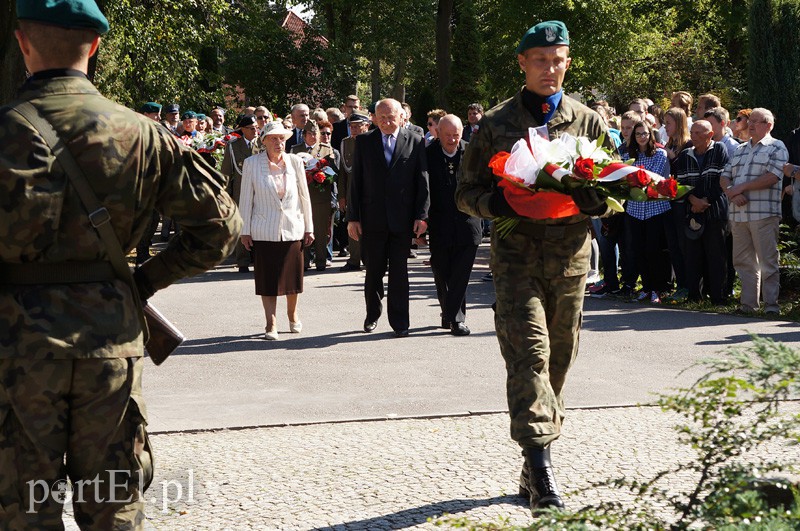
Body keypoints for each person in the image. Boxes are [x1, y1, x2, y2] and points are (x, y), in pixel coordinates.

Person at [0, 2, 241, 528]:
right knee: (111, 508)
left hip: (14, 354)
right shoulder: (143, 135)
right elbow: (220, 228)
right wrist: (143, 281)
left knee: (21, 511)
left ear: (22, 43)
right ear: (96, 45)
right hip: (110, 346)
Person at [455, 20, 611, 513]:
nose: (550, 68)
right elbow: (465, 193)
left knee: (559, 360)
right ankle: (542, 474)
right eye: (541, 60)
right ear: (523, 63)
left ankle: (532, 458)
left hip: (570, 262)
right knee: (530, 356)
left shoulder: (588, 122)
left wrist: (595, 200)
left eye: (558, 60)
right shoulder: (496, 124)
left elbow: (616, 189)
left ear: (568, 62)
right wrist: (496, 205)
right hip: (516, 261)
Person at [347, 98, 430, 337]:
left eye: (390, 117)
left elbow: (422, 181)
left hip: (402, 220)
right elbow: (356, 183)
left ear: (401, 116)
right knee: (373, 271)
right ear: (374, 118)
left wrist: (421, 216)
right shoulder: (363, 142)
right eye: (381, 117)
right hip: (372, 219)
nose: (386, 122)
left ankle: (400, 322)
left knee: (399, 273)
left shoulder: (414, 141)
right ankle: (372, 314)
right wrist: (353, 217)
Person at [239, 121, 314, 339]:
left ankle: (292, 316)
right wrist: (245, 230)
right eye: (273, 138)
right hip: (264, 229)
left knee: (292, 280)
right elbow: (246, 199)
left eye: (281, 138)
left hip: (293, 228)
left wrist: (308, 227)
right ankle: (270, 324)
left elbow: (304, 197)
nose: (278, 142)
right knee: (267, 280)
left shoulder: (295, 162)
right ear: (264, 142)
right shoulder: (252, 164)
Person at [721, 107, 788, 315]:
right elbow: (724, 176)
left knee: (767, 260)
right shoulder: (740, 149)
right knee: (742, 261)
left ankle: (771, 306)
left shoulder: (777, 147)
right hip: (738, 213)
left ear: (768, 125)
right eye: (750, 120)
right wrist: (732, 192)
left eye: (756, 121)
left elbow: (773, 176)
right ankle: (748, 305)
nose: (750, 124)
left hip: (763, 213)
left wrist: (741, 188)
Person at [426, 115, 482, 336]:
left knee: (461, 273)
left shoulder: (472, 153)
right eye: (447, 135)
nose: (452, 140)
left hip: (468, 223)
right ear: (438, 133)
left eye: (456, 135)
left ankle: (456, 319)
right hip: (439, 223)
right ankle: (448, 312)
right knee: (441, 271)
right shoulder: (427, 154)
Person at [674, 120, 730, 304]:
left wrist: (705, 201)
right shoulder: (684, 155)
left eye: (699, 133)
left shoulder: (719, 149)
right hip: (691, 211)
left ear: (710, 134)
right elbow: (680, 183)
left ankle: (718, 297)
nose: (694, 136)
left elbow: (722, 180)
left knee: (716, 255)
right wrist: (693, 200)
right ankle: (694, 296)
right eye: (692, 132)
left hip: (715, 211)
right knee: (692, 255)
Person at [624, 121, 672, 304]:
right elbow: (627, 178)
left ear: (650, 135)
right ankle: (646, 287)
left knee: (655, 251)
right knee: (639, 250)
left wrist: (635, 178)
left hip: (655, 209)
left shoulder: (659, 153)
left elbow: (654, 178)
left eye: (644, 133)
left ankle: (659, 289)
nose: (641, 137)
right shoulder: (630, 155)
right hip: (635, 209)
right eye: (638, 134)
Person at [291, 120, 341, 271]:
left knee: (321, 231)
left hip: (320, 195)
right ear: (304, 135)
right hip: (301, 196)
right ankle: (304, 261)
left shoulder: (327, 150)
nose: (313, 136)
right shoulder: (295, 149)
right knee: (303, 229)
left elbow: (334, 172)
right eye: (310, 133)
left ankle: (321, 261)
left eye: (316, 134)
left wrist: (322, 175)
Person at [221, 115, 260, 272]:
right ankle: (242, 260)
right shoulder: (233, 146)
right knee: (241, 225)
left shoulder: (262, 144)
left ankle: (258, 258)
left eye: (257, 127)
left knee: (259, 225)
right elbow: (226, 173)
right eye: (251, 128)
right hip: (240, 190)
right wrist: (226, 196)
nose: (255, 131)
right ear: (243, 130)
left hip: (260, 190)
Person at [339, 112, 371, 271]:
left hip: (371, 192)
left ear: (367, 125)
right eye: (352, 126)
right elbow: (343, 173)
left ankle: (370, 259)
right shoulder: (346, 143)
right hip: (352, 192)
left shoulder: (374, 141)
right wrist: (342, 196)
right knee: (352, 224)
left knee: (371, 226)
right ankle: (354, 260)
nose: (354, 129)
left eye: (358, 125)